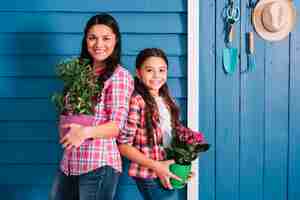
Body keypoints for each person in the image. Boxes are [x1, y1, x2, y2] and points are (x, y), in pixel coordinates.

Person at [50, 13, 134, 200]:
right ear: (85, 40)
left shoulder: (119, 76)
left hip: (98, 164)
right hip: (70, 161)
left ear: (116, 40)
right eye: (92, 38)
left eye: (106, 38)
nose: (98, 44)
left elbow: (116, 126)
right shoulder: (79, 73)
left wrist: (84, 132)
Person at [118, 48, 203, 200]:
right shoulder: (137, 101)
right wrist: (157, 166)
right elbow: (123, 146)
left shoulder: (167, 99)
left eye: (161, 70)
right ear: (138, 73)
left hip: (169, 166)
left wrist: (182, 166)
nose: (157, 75)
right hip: (150, 172)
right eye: (149, 70)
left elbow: (171, 137)